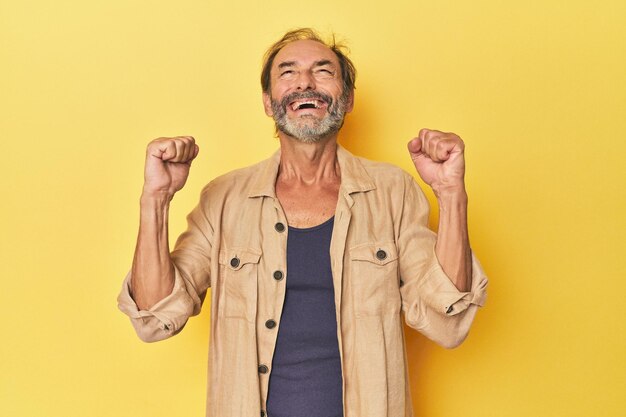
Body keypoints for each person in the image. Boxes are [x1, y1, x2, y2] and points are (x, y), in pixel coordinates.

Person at [117, 28, 488, 417]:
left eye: (323, 71)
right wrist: (156, 198)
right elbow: (155, 318)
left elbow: (449, 322)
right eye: (288, 72)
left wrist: (450, 193)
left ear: (347, 101)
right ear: (268, 102)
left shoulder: (393, 192)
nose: (305, 82)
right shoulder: (222, 199)